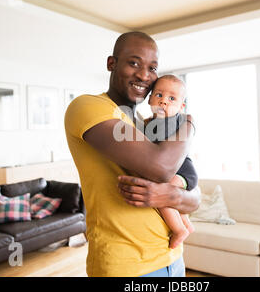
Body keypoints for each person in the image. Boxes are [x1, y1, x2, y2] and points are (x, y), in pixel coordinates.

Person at [64, 31, 200, 277]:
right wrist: (189, 124)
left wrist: (168, 194)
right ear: (111, 63)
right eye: (134, 63)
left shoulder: (146, 124)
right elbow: (161, 167)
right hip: (127, 267)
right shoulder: (89, 106)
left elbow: (195, 198)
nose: (144, 75)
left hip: (172, 258)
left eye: (152, 67)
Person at [144, 74, 197, 250]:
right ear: (149, 98)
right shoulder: (153, 123)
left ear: (180, 107)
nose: (164, 101)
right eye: (159, 95)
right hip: (177, 171)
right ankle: (186, 224)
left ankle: (179, 229)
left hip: (183, 171)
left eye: (171, 98)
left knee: (163, 195)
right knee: (170, 198)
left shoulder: (172, 122)